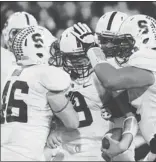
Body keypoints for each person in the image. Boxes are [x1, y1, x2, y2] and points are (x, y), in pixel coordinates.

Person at [72, 14, 156, 161]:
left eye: (125, 42)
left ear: (143, 39)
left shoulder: (149, 61)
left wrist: (91, 48)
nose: (120, 46)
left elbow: (111, 80)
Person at [1, 26, 79, 161]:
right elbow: (73, 123)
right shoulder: (45, 74)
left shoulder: (12, 72)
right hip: (25, 155)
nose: (55, 53)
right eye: (51, 49)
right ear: (39, 51)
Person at [45, 27, 110, 161]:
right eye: (75, 58)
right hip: (68, 147)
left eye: (84, 57)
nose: (81, 63)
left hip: (99, 148)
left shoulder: (103, 77)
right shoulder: (58, 78)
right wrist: (53, 129)